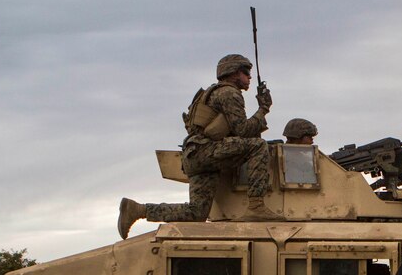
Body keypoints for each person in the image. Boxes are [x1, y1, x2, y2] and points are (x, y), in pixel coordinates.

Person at [117, 54, 282, 238]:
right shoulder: (229, 93)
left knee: (197, 212)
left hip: (196, 156)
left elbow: (235, 132)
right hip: (207, 151)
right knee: (258, 146)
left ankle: (138, 210)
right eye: (246, 72)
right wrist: (263, 109)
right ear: (234, 73)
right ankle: (256, 206)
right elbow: (243, 130)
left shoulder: (214, 93)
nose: (250, 77)